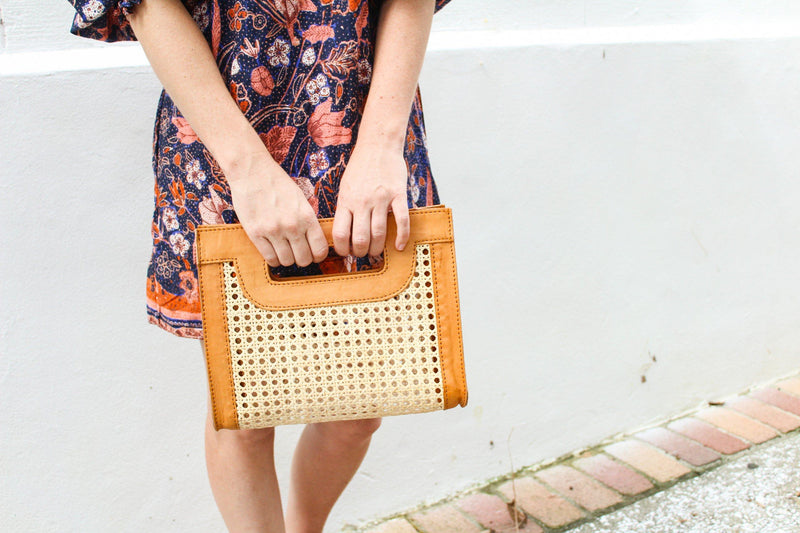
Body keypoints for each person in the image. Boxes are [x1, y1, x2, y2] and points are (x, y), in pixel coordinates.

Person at [66, 0, 452, 530]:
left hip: (362, 128)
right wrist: (247, 171)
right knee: (245, 410)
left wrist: (383, 142)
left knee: (358, 411)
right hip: (225, 137)